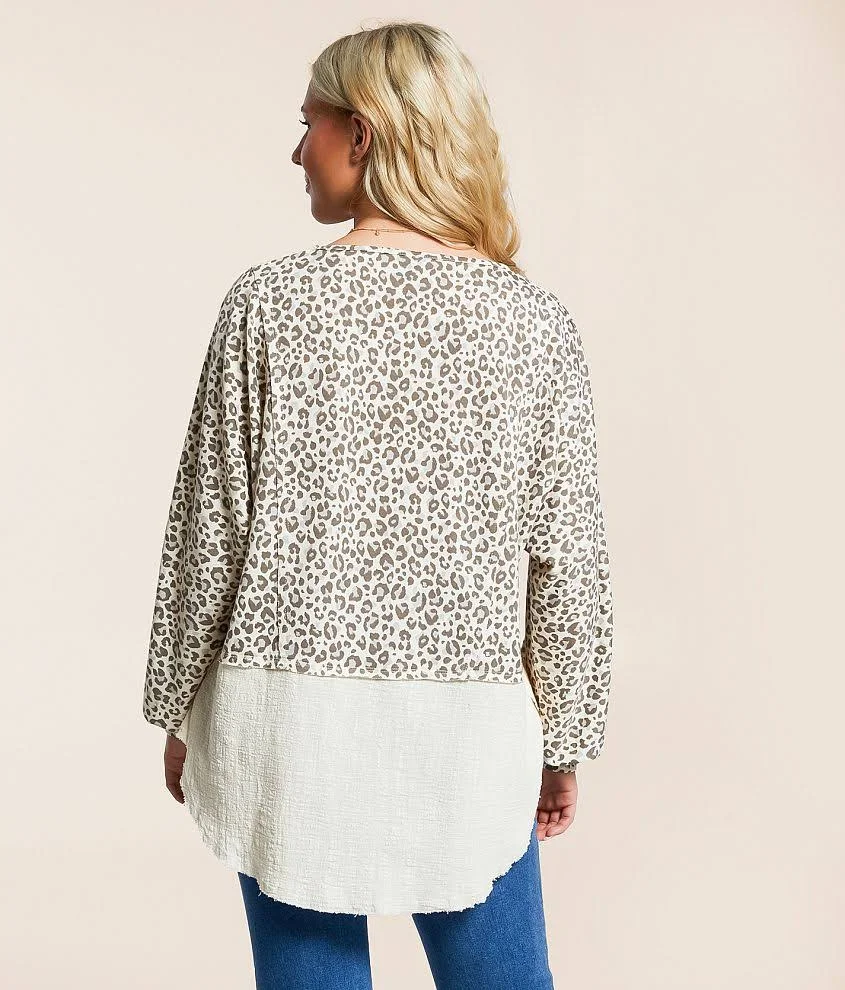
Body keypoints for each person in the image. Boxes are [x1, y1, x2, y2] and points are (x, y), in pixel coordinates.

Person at [142, 20, 614, 990]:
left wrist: (175, 706)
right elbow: (566, 558)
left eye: (307, 123)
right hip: (465, 731)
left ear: (360, 135)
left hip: (287, 726)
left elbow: (207, 535)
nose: (295, 151)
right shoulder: (533, 324)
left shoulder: (266, 305)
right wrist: (563, 742)